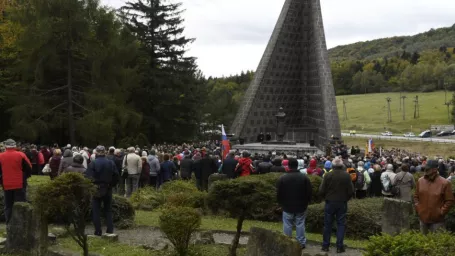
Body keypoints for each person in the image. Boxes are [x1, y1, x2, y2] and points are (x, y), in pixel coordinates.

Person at [319, 158, 355, 253]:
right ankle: (339, 246)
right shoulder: (346, 176)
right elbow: (351, 191)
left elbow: (321, 190)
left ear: (332, 165)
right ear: (342, 165)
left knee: (328, 224)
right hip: (342, 202)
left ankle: (325, 245)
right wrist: (346, 198)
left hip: (330, 201)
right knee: (341, 224)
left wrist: (326, 197)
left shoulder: (327, 175)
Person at [276, 158, 312, 250]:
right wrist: (307, 201)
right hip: (301, 205)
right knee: (300, 224)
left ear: (288, 166)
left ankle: (287, 241)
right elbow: (309, 192)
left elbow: (279, 192)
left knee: (287, 224)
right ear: (297, 165)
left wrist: (280, 203)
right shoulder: (304, 178)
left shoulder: (283, 178)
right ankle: (300, 242)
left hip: (287, 205)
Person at [85, 146, 119, 236]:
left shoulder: (93, 163)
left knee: (96, 210)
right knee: (108, 210)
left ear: (96, 152)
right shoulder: (111, 163)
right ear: (105, 152)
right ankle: (110, 230)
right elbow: (116, 176)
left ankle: (98, 231)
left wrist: (92, 186)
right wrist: (111, 185)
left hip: (96, 188)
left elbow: (88, 177)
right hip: (108, 188)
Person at [414, 160, 454, 234]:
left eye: (427, 169)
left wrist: (441, 212)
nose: (425, 170)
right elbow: (416, 197)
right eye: (425, 168)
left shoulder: (445, 183)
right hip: (423, 219)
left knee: (438, 244)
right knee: (423, 242)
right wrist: (419, 208)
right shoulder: (420, 181)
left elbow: (450, 200)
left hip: (437, 222)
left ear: (435, 169)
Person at [0, 139, 32, 223]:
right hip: (19, 183)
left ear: (6, 146)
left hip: (6, 184)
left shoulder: (1, 156)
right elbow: (29, 168)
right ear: (15, 146)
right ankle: (22, 224)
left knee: (8, 205)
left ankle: (8, 224)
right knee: (21, 205)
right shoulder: (21, 155)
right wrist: (25, 177)